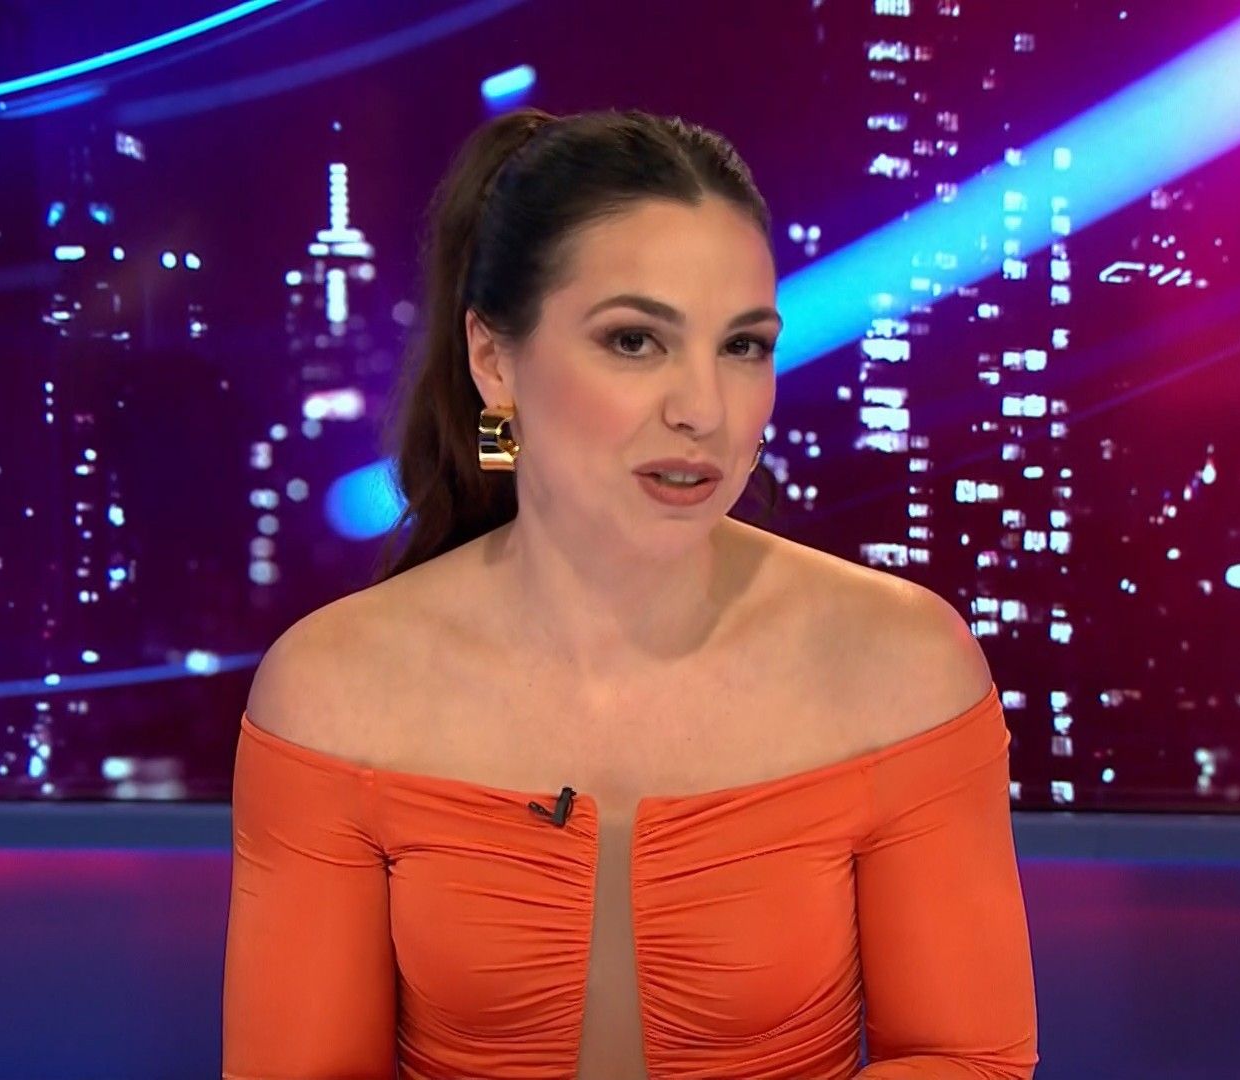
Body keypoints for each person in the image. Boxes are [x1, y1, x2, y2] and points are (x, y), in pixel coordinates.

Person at [223, 106, 1038, 1079]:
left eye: (742, 347)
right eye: (635, 341)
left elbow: (965, 1060)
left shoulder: (901, 664)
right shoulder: (332, 691)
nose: (703, 408)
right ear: (494, 361)